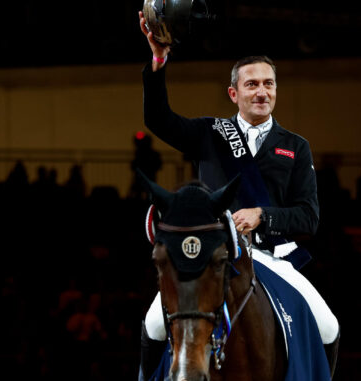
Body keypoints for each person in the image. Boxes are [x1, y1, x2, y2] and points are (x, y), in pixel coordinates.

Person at [137, 11, 340, 380]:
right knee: (153, 323)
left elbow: (308, 216)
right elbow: (157, 118)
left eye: (268, 84)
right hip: (215, 257)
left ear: (276, 90)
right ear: (234, 93)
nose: (261, 91)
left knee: (329, 326)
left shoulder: (296, 147)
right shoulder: (209, 133)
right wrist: (158, 60)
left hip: (272, 257)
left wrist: (264, 214)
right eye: (252, 85)